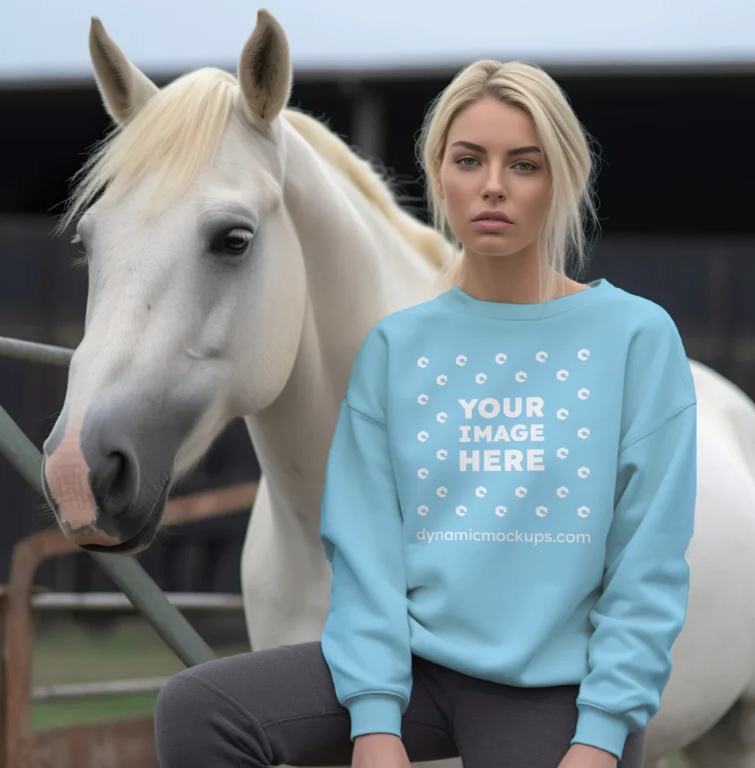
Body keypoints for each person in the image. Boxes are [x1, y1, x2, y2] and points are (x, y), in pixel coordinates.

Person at [153, 59, 696, 768]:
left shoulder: (635, 337)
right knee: (197, 711)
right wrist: (376, 725)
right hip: (419, 674)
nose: (493, 185)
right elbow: (367, 551)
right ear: (439, 172)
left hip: (557, 691)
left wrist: (599, 739)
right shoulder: (397, 347)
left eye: (523, 164)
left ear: (562, 177)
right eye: (469, 159)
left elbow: (647, 566)